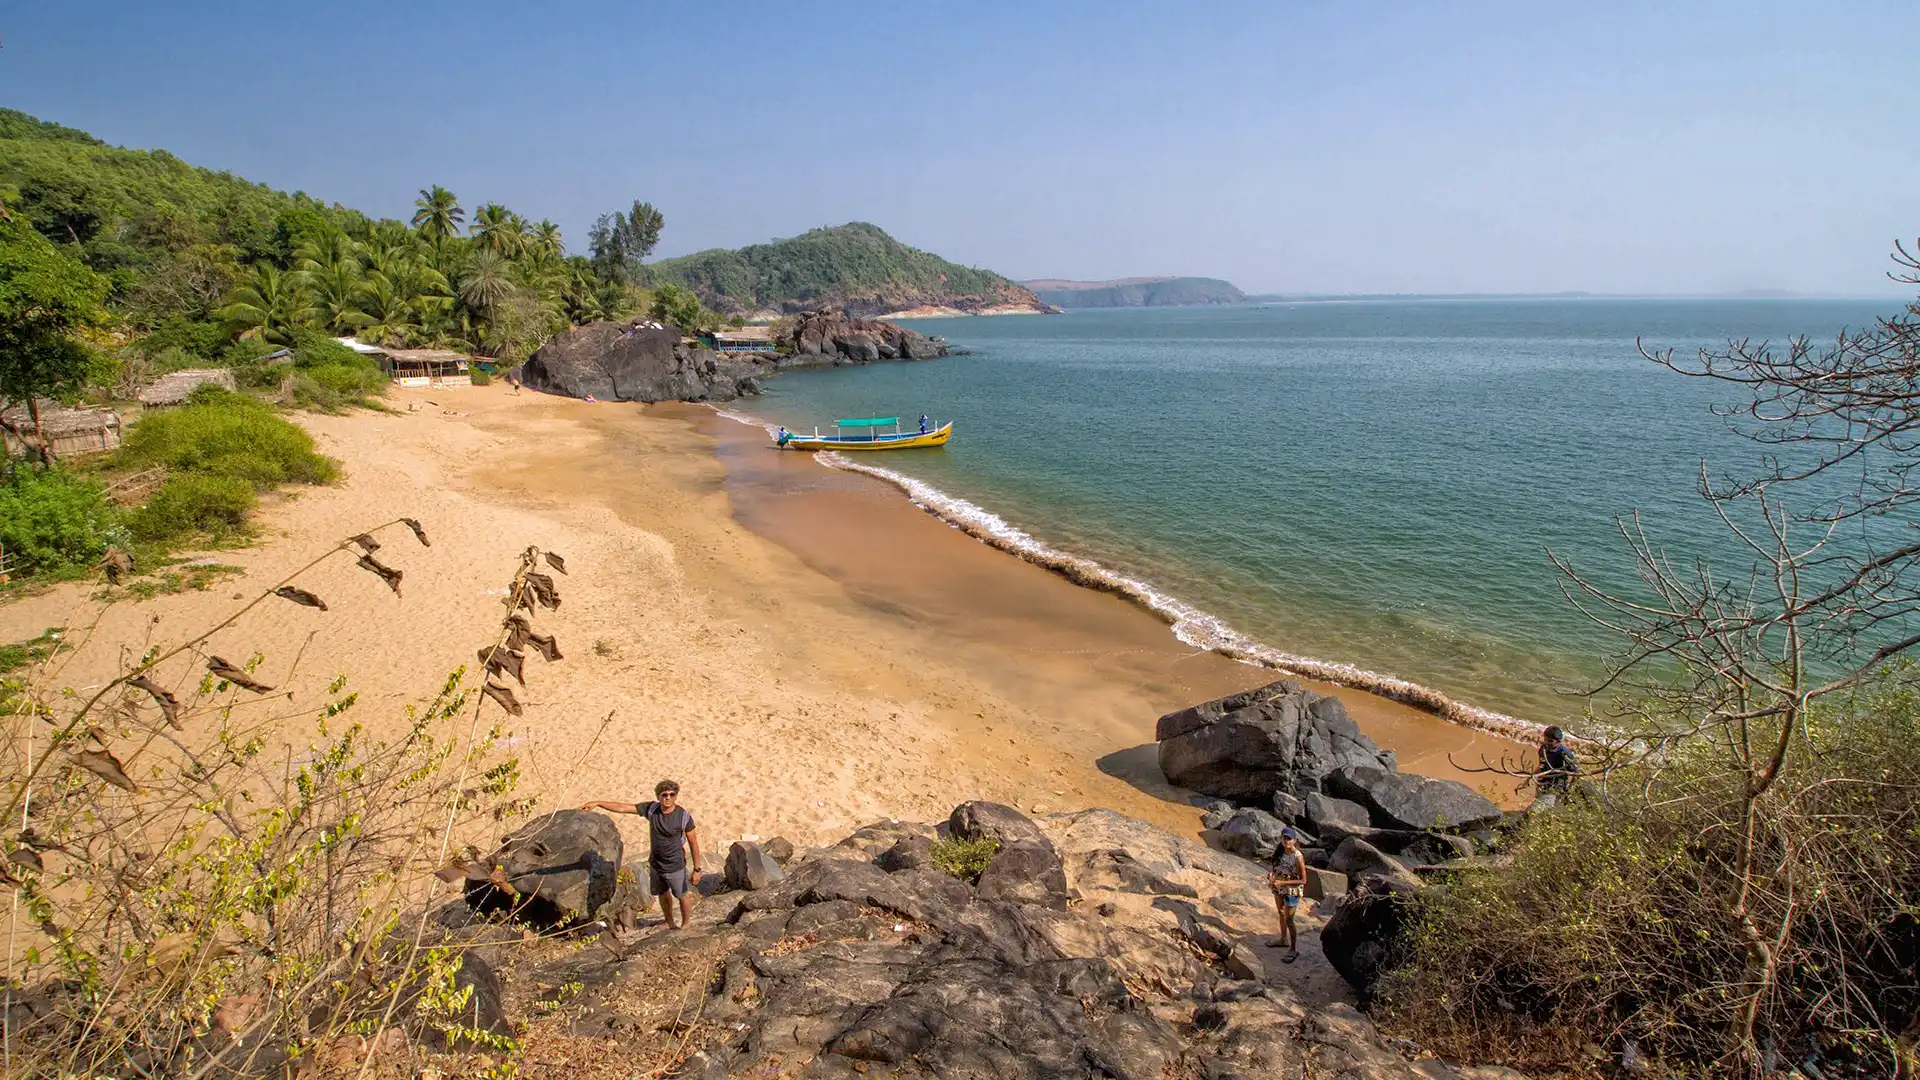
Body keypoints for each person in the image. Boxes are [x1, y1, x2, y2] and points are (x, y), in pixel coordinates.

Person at [581, 780, 705, 930]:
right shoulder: (652, 809)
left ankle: (685, 925)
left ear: (676, 796)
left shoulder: (683, 816)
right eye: (664, 795)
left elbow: (693, 843)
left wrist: (697, 869)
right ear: (658, 796)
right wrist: (598, 803)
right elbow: (623, 807)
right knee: (662, 893)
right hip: (656, 863)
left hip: (675, 865)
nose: (668, 798)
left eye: (672, 794)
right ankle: (669, 922)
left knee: (682, 895)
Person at [1267, 829, 1307, 963]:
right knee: (1280, 913)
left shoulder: (1298, 857)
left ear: (1294, 840)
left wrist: (1283, 882)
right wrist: (1272, 875)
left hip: (1291, 891)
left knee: (1289, 919)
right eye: (1284, 838)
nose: (1286, 841)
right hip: (1279, 887)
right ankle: (1283, 939)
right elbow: (1276, 867)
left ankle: (1293, 948)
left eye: (1289, 839)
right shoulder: (1280, 851)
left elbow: (1303, 880)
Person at [1534, 725, 1578, 794]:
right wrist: (1533, 776)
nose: (1546, 743)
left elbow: (1575, 773)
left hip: (1557, 786)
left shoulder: (1565, 753)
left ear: (1558, 741)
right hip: (1542, 782)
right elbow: (1541, 765)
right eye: (1545, 740)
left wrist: (1569, 790)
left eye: (1550, 741)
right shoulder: (1543, 749)